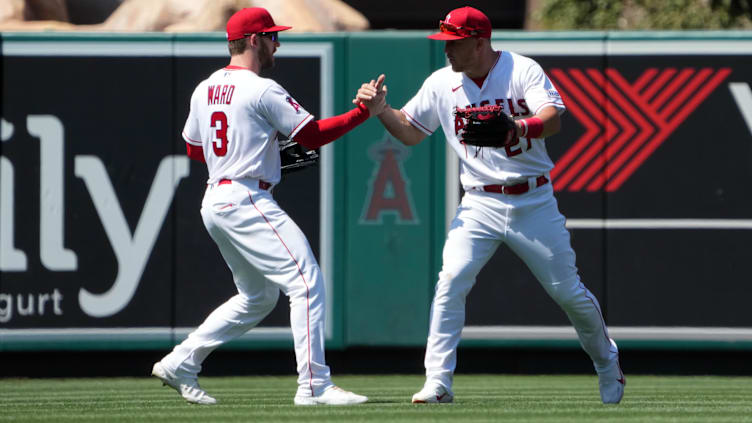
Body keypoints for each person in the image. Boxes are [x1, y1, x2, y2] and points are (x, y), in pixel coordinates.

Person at [356, 6, 625, 404]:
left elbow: (553, 118)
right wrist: (381, 112)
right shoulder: (441, 82)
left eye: (455, 43)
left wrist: (519, 126)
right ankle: (438, 380)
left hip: (532, 200)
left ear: (480, 43)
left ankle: (607, 362)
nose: (446, 50)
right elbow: (411, 133)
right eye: (445, 42)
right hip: (479, 202)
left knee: (568, 292)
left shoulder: (521, 69)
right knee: (451, 281)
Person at [152, 7, 386, 406]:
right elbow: (311, 136)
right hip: (246, 197)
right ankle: (314, 385)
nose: (278, 43)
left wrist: (256, 151)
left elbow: (195, 147)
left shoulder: (204, 88)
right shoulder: (262, 88)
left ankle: (181, 361)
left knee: (257, 297)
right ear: (256, 40)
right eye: (273, 36)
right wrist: (365, 113)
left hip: (216, 199)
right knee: (307, 281)